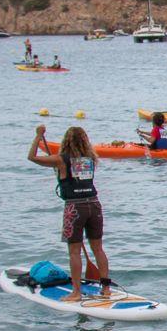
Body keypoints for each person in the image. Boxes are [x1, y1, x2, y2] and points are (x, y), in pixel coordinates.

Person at [27, 125, 110, 302]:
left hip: (75, 207)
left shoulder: (60, 160)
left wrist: (38, 136)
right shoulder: (90, 159)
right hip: (94, 205)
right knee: (98, 248)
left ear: (66, 141)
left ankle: (76, 292)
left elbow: (32, 157)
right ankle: (106, 289)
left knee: (74, 251)